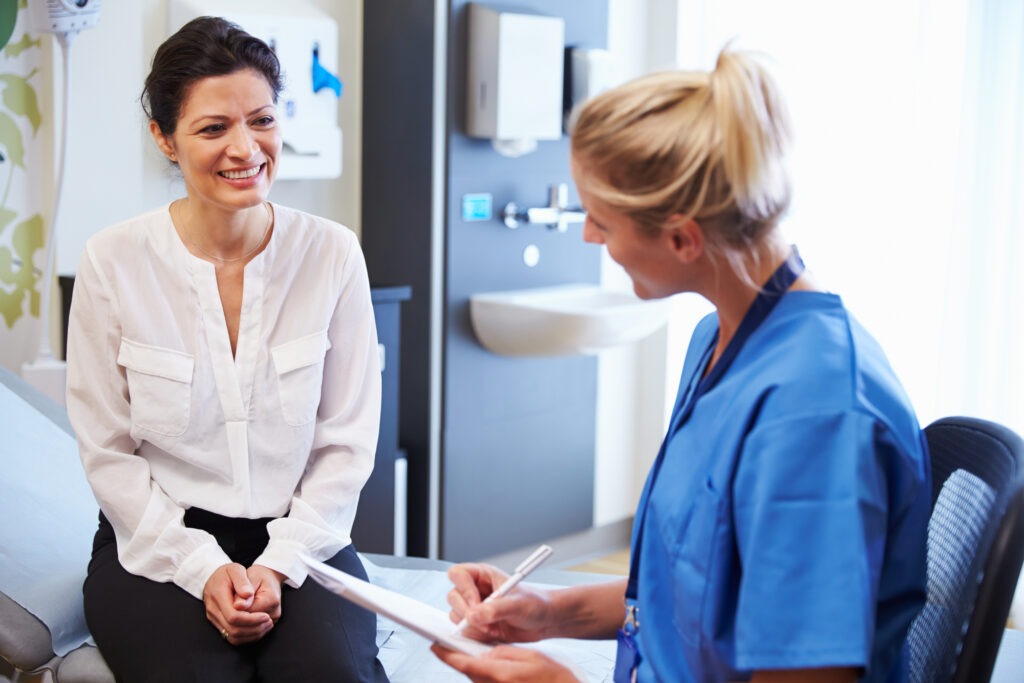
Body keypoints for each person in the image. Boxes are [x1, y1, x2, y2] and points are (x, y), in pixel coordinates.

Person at [433, 47, 931, 683]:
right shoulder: (718, 342)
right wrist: (546, 611)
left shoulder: (818, 415)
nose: (588, 236)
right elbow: (692, 588)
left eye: (601, 221)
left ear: (682, 237)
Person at [64, 16, 389, 683]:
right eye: (214, 128)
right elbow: (108, 453)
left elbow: (346, 443)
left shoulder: (332, 254)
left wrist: (278, 562)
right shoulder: (113, 261)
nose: (247, 148)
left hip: (304, 539)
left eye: (262, 119)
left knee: (335, 674)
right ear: (165, 138)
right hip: (155, 545)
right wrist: (202, 566)